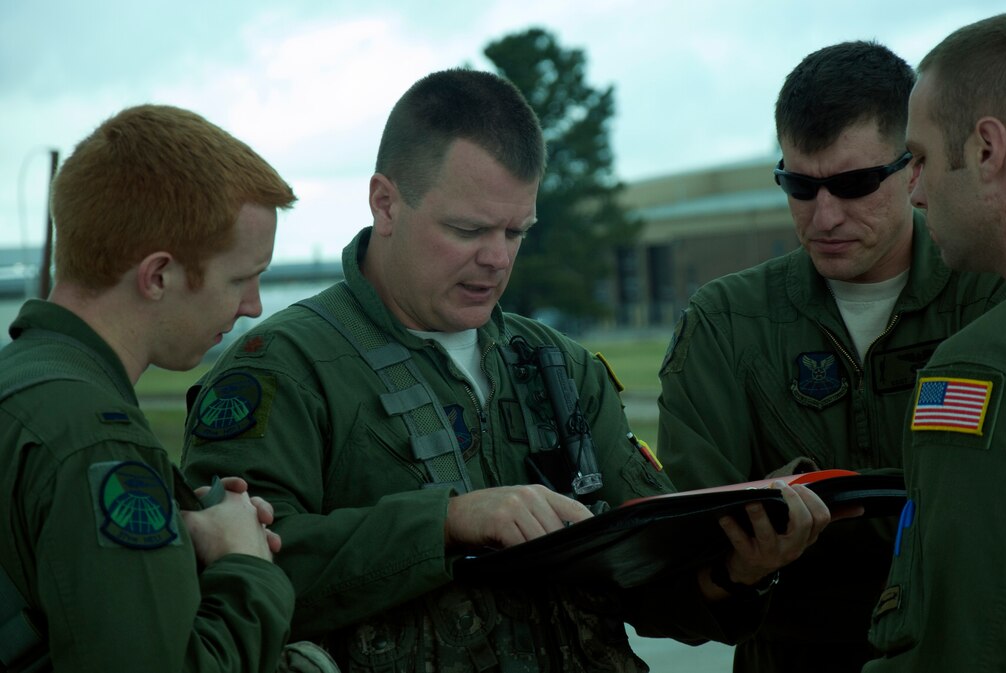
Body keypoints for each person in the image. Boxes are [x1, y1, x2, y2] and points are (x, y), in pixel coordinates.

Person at [180, 68, 839, 672]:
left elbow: (648, 579)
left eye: (515, 231)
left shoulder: (561, 368)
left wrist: (734, 568)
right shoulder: (282, 372)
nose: (497, 258)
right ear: (385, 203)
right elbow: (236, 575)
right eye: (468, 229)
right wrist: (446, 520)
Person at [656, 41, 1006, 672]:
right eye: (799, 185)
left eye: (852, 185)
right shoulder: (727, 322)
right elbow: (679, 576)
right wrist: (743, 565)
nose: (824, 217)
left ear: (913, 169)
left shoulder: (995, 294)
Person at [0, 104, 298, 672]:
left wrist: (183, 534)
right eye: (240, 278)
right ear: (158, 275)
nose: (254, 306)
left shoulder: (23, 386)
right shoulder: (97, 442)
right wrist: (246, 565)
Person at [865, 12, 1006, 671]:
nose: (914, 188)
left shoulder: (984, 371)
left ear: (988, 149)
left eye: (923, 156)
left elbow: (961, 652)